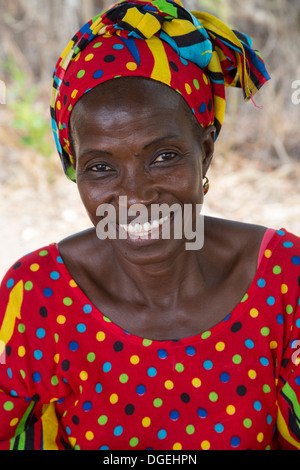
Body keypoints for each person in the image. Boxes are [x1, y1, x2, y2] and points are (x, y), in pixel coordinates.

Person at [0, 0, 299, 451]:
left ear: (206, 150)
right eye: (101, 167)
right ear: (74, 171)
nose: (136, 198)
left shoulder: (285, 279)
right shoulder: (37, 297)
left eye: (164, 157)